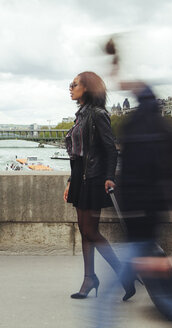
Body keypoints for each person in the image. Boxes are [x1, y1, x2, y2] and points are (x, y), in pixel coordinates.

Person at [63, 71, 135, 300]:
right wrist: (69, 181)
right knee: (85, 232)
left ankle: (124, 276)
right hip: (80, 179)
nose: (70, 87)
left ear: (87, 88)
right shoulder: (81, 115)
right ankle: (89, 278)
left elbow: (110, 149)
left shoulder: (97, 114)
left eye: (74, 84)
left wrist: (109, 177)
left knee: (91, 232)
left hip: (93, 180)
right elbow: (77, 155)